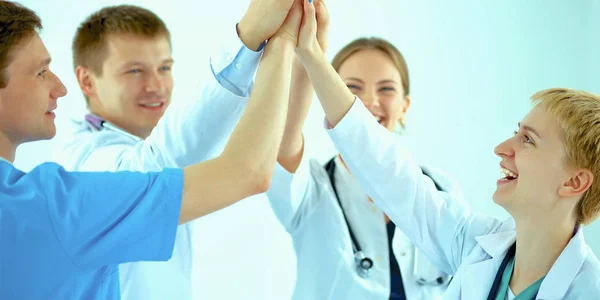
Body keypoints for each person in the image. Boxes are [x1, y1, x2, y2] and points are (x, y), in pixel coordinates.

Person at [293, 0, 600, 298]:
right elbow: (387, 170)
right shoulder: (475, 245)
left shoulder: (589, 289)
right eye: (514, 133)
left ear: (574, 181)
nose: (501, 148)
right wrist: (311, 54)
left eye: (528, 140)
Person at [0, 0, 302, 299]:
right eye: (134, 71)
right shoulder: (63, 189)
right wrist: (265, 41)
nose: (156, 86)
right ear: (87, 81)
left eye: (164, 67)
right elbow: (241, 171)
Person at [267, 12, 451, 298]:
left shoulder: (441, 189)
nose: (369, 102)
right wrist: (310, 54)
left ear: (405, 105)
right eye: (351, 88)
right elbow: (284, 143)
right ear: (328, 93)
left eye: (387, 89)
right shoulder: (312, 189)